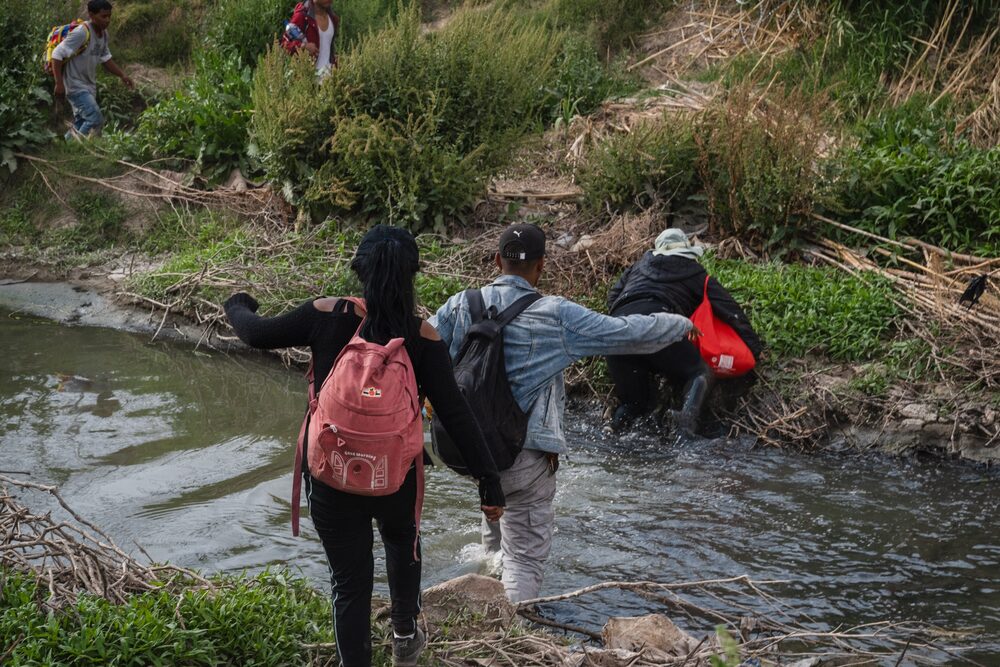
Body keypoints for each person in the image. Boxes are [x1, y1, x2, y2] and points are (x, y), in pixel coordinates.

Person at [224, 225, 505, 667]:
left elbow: (254, 333)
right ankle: (406, 634)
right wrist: (489, 483)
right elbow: (456, 414)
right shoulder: (423, 337)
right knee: (401, 542)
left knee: (350, 585)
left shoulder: (326, 314)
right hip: (398, 476)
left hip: (331, 474)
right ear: (414, 274)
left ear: (359, 270)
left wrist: (237, 303)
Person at [430, 223, 696, 603]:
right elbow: (625, 333)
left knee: (497, 504)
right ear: (541, 266)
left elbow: (419, 350)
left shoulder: (459, 304)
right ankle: (510, 630)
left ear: (495, 260)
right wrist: (679, 324)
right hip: (519, 457)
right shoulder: (555, 314)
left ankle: (486, 573)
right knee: (524, 559)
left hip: (462, 452)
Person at [606, 228, 763, 434]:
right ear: (687, 251)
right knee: (700, 372)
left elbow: (612, 300)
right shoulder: (695, 273)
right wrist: (754, 350)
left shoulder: (636, 268)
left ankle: (613, 431)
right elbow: (732, 313)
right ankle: (685, 427)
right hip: (658, 324)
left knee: (634, 406)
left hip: (616, 331)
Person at [51, 0, 133, 140]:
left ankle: (65, 146)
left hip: (89, 86)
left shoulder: (104, 34)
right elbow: (57, 54)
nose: (107, 20)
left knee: (82, 122)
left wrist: (122, 75)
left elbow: (105, 58)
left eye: (109, 16)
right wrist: (59, 83)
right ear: (91, 15)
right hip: (74, 85)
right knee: (95, 119)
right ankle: (78, 149)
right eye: (103, 16)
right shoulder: (82, 32)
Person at [282, 0, 340, 77]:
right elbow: (284, 45)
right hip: (308, 80)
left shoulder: (333, 18)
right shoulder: (302, 17)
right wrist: (303, 46)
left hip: (329, 80)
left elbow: (328, 48)